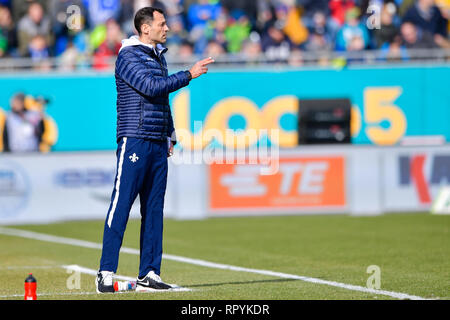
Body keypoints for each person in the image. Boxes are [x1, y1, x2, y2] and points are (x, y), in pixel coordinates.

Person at [96, 6, 214, 293]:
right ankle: (105, 273)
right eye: (162, 24)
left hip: (157, 140)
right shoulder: (128, 55)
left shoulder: (157, 56)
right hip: (134, 138)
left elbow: (161, 98)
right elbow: (150, 87)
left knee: (154, 209)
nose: (167, 28)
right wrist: (188, 74)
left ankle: (149, 272)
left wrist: (169, 133)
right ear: (145, 28)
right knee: (121, 204)